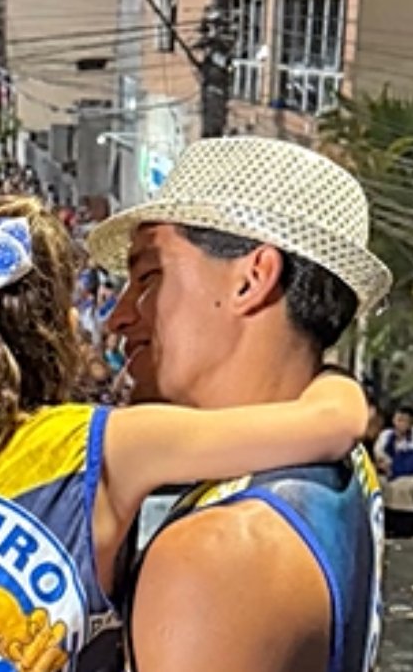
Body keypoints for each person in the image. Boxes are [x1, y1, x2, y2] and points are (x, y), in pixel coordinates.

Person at [0, 192, 371, 672]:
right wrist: (332, 378)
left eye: (148, 279)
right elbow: (332, 425)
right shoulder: (102, 446)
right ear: (61, 330)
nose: (119, 317)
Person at [87, 137, 391, 671]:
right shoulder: (332, 459)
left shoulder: (216, 559)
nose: (119, 317)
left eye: (150, 277)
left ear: (252, 278)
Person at [374, 406, 413, 539]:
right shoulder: (385, 437)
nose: (401, 424)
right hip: (387, 492)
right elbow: (379, 459)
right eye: (399, 419)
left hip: (407, 494)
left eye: (405, 420)